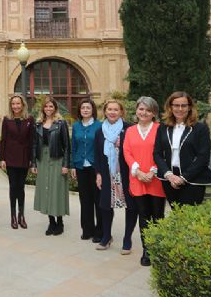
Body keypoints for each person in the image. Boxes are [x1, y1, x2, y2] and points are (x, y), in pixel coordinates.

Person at [123, 96, 165, 266]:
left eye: (148, 110)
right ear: (136, 110)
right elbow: (127, 152)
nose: (144, 112)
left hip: (156, 179)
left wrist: (153, 171)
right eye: (141, 109)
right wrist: (138, 171)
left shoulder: (160, 129)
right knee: (144, 216)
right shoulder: (130, 130)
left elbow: (163, 153)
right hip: (137, 178)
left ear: (154, 113)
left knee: (158, 216)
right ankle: (147, 250)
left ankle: (159, 249)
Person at [154, 91, 211, 207]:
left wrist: (183, 178)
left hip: (193, 179)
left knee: (188, 216)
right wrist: (168, 174)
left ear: (190, 107)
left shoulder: (200, 128)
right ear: (170, 107)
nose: (180, 109)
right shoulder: (163, 128)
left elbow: (203, 157)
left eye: (184, 105)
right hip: (169, 179)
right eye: (176, 105)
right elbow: (157, 153)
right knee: (176, 215)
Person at [93, 99, 138, 254]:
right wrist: (98, 173)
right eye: (109, 109)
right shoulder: (100, 130)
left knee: (131, 206)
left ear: (121, 112)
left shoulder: (129, 129)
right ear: (105, 111)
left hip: (125, 173)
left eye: (115, 109)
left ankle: (127, 239)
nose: (112, 112)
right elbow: (97, 154)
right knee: (105, 205)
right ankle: (106, 237)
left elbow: (134, 151)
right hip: (107, 174)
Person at [32, 96, 70, 236]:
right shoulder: (38, 124)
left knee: (56, 189)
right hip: (42, 158)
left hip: (57, 158)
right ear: (43, 108)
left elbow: (67, 145)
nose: (48, 109)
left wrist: (66, 164)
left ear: (55, 108)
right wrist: (34, 163)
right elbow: (34, 145)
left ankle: (59, 222)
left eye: (51, 106)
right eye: (46, 106)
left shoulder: (61, 123)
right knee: (45, 189)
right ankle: (51, 221)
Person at [70, 98, 103, 243]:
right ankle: (87, 230)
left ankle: (99, 231)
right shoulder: (76, 126)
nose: (85, 110)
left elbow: (103, 149)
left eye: (88, 108)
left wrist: (101, 170)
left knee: (98, 200)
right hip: (80, 167)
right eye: (83, 108)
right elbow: (73, 147)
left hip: (95, 168)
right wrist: (72, 165)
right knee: (85, 200)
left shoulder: (99, 126)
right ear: (79, 110)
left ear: (93, 110)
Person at [0, 94, 34, 229]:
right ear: (10, 106)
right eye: (13, 104)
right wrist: (2, 158)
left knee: (21, 187)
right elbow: (3, 140)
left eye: (18, 104)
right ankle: (13, 216)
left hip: (24, 158)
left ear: (22, 104)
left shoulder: (29, 119)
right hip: (11, 158)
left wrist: (31, 159)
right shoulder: (7, 120)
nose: (16, 106)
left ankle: (21, 215)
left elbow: (32, 141)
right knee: (13, 187)